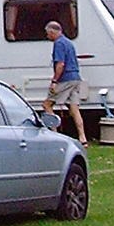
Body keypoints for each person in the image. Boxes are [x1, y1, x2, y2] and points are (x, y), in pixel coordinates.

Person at [44, 18, 89, 146]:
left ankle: (54, 134)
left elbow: (60, 64)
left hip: (65, 79)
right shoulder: (69, 42)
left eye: (48, 33)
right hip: (76, 78)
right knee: (74, 108)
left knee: (47, 105)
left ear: (53, 32)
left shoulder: (58, 43)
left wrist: (54, 81)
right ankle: (83, 138)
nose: (47, 36)